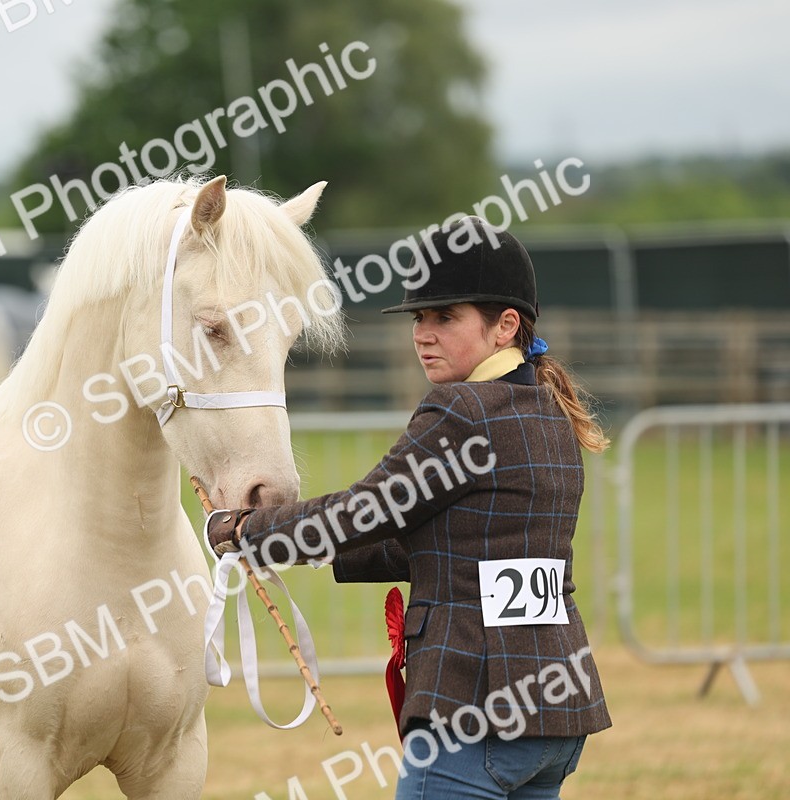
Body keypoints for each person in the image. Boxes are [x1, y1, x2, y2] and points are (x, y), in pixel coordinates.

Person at [208, 217, 611, 799]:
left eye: (444, 317)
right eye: (419, 317)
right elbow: (448, 542)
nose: (423, 333)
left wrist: (245, 531)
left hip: (474, 706)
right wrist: (318, 557)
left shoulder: (461, 408)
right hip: (554, 707)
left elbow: (362, 511)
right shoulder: (548, 409)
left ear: (505, 326)